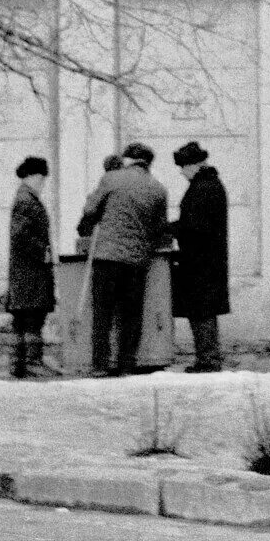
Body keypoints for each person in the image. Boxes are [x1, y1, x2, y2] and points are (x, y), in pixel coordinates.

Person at [76, 141, 169, 377]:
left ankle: (100, 364)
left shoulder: (112, 179)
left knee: (103, 312)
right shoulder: (158, 189)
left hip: (106, 256)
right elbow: (159, 229)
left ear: (128, 160)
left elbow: (90, 211)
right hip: (137, 260)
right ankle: (126, 364)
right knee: (131, 314)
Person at [169, 140, 229, 374]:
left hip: (201, 261)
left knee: (201, 310)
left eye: (183, 167)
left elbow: (194, 225)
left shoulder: (203, 187)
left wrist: (170, 228)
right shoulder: (209, 184)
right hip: (206, 259)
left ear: (194, 165)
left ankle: (208, 360)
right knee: (203, 310)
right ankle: (207, 358)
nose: (182, 172)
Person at [5, 155, 55, 380]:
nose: (43, 183)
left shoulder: (25, 198)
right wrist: (42, 252)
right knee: (32, 317)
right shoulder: (27, 200)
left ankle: (19, 365)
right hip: (30, 271)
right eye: (42, 178)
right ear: (33, 176)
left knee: (23, 318)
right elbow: (20, 235)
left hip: (24, 272)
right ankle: (32, 363)